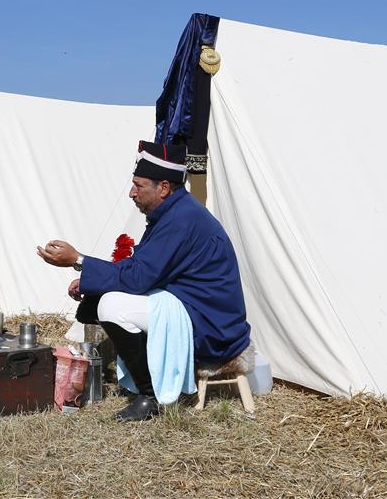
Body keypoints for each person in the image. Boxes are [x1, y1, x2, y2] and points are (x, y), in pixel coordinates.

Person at [38, 140, 251, 422]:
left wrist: (79, 260)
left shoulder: (181, 220)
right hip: (194, 308)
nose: (131, 193)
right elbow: (145, 266)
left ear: (163, 187)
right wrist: (88, 279)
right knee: (98, 301)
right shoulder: (174, 212)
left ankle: (150, 396)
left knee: (111, 306)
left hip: (211, 325)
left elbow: (139, 278)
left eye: (139, 186)